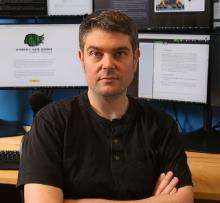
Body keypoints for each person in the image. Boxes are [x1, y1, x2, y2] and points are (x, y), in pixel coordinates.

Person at [17, 9, 193, 203]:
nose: (108, 64)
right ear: (82, 58)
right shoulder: (50, 123)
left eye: (119, 53)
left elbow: (184, 199)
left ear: (135, 58)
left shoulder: (162, 126)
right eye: (95, 53)